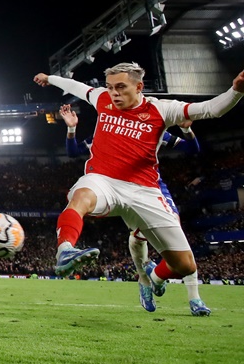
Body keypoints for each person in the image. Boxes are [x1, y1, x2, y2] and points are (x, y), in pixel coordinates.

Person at [34, 61, 244, 316]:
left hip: (145, 190)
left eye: (121, 87)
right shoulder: (102, 98)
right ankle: (65, 250)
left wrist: (236, 91)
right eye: (110, 87)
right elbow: (75, 86)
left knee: (185, 266)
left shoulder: (162, 110)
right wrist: (50, 78)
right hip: (104, 180)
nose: (114, 93)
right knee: (81, 197)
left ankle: (152, 277)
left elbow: (211, 109)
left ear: (139, 86)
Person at [59, 102, 209, 315]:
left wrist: (185, 128)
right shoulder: (104, 133)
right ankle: (146, 280)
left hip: (149, 190)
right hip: (115, 190)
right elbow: (73, 153)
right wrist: (71, 128)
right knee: (137, 234)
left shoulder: (149, 129)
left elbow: (192, 149)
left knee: (176, 236)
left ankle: (187, 295)